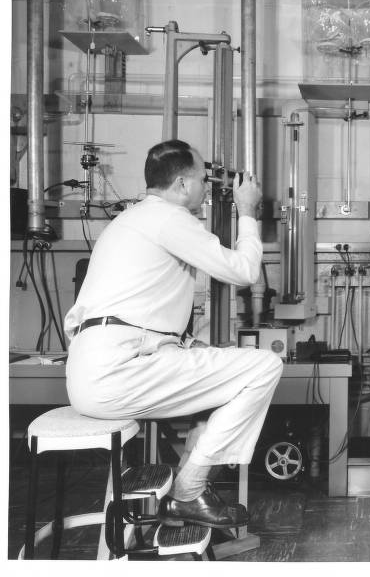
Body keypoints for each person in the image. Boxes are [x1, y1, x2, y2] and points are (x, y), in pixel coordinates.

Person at [63, 139, 283, 529]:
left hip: (92, 371)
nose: (204, 188)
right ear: (182, 185)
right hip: (118, 374)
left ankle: (190, 486)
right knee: (264, 366)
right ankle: (189, 491)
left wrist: (180, 344)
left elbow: (139, 314)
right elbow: (244, 272)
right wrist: (247, 211)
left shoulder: (129, 220)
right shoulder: (170, 219)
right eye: (201, 179)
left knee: (216, 388)